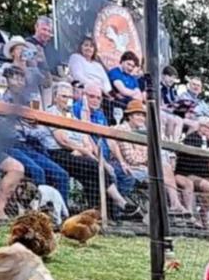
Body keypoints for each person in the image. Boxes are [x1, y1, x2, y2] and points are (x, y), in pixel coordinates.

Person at [41, 82, 139, 217]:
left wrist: (83, 149)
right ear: (55, 97)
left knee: (95, 174)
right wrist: (83, 150)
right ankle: (120, 202)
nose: (67, 100)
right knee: (96, 167)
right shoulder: (52, 112)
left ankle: (101, 214)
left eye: (70, 97)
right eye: (64, 96)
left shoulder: (70, 115)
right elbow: (62, 140)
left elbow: (84, 137)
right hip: (57, 153)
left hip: (76, 152)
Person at [2, 70, 70, 205]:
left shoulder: (26, 102)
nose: (19, 82)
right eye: (15, 79)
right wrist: (21, 126)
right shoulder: (2, 99)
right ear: (7, 80)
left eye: (21, 79)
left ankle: (61, 216)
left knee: (62, 175)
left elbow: (38, 132)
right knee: (37, 172)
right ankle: (35, 214)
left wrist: (33, 125)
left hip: (27, 144)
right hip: (7, 144)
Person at [113, 99, 192, 215]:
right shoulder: (123, 129)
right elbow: (131, 159)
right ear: (129, 116)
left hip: (143, 168)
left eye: (143, 115)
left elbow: (149, 154)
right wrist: (149, 159)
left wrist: (149, 159)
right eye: (137, 115)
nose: (141, 118)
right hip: (129, 169)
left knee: (166, 168)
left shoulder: (143, 131)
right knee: (164, 170)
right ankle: (173, 206)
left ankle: (175, 206)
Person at [174, 117, 209, 229]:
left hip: (203, 175)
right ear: (202, 128)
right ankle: (204, 215)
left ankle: (205, 211)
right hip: (188, 173)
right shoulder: (191, 138)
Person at [2, 36, 49, 107]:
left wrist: (43, 61)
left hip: (31, 110)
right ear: (12, 53)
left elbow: (47, 83)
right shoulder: (6, 67)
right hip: (11, 107)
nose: (22, 51)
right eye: (19, 49)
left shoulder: (33, 71)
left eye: (24, 49)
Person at [158, 66, 190, 140]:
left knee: (180, 119)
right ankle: (167, 142)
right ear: (163, 76)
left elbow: (175, 103)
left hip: (172, 112)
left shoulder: (173, 90)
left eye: (174, 77)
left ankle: (175, 143)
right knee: (174, 120)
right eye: (170, 77)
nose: (172, 80)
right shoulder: (159, 88)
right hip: (163, 111)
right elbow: (160, 104)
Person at [107, 51, 143, 116]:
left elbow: (140, 97)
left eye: (133, 66)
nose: (130, 68)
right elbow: (123, 90)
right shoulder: (115, 72)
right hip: (119, 105)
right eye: (128, 64)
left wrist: (128, 93)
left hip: (133, 105)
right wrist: (134, 92)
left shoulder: (132, 78)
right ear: (122, 61)